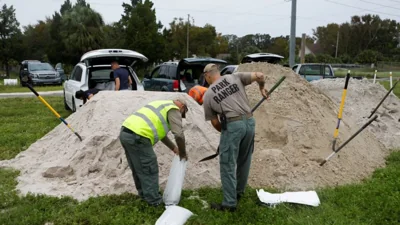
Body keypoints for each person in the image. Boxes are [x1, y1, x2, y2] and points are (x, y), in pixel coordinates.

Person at [202, 63, 268, 212]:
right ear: (218, 72)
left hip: (233, 125)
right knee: (244, 160)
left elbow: (214, 122)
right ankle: (238, 193)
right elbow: (260, 76)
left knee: (227, 164)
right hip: (250, 122)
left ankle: (229, 203)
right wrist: (262, 88)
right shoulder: (234, 77)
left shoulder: (209, 94)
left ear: (207, 76)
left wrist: (226, 133)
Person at [119, 98, 189, 207]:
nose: (180, 115)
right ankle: (154, 202)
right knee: (149, 168)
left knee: (138, 168)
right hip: (139, 137)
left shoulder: (161, 105)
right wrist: (183, 153)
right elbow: (178, 134)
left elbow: (161, 134)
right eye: (182, 113)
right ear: (182, 107)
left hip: (125, 133)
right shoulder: (174, 109)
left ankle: (144, 196)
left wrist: (174, 148)